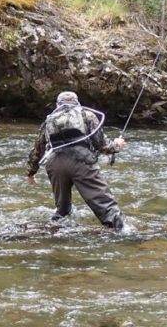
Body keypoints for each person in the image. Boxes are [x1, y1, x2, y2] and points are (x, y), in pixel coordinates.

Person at [26, 91, 126, 230]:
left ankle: (55, 232)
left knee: (63, 209)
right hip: (82, 162)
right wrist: (117, 145)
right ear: (77, 102)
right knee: (104, 203)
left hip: (55, 164)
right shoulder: (87, 115)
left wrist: (31, 173)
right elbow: (102, 145)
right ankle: (123, 232)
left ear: (57, 105)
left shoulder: (48, 120)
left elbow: (37, 150)